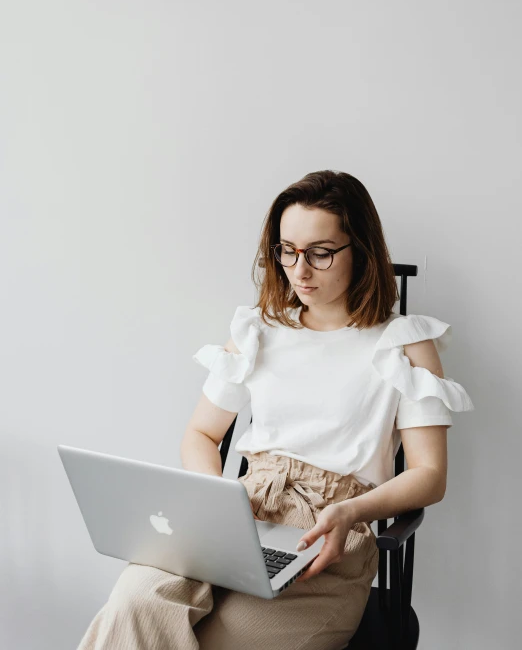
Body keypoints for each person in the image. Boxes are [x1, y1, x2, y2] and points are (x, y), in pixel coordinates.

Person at [77, 169, 474, 649]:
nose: (299, 270)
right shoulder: (257, 330)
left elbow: (430, 474)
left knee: (224, 639)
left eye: (320, 254)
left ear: (361, 250)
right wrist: (219, 503)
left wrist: (351, 512)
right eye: (287, 251)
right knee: (133, 608)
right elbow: (202, 435)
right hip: (239, 514)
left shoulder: (404, 343)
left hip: (328, 533)